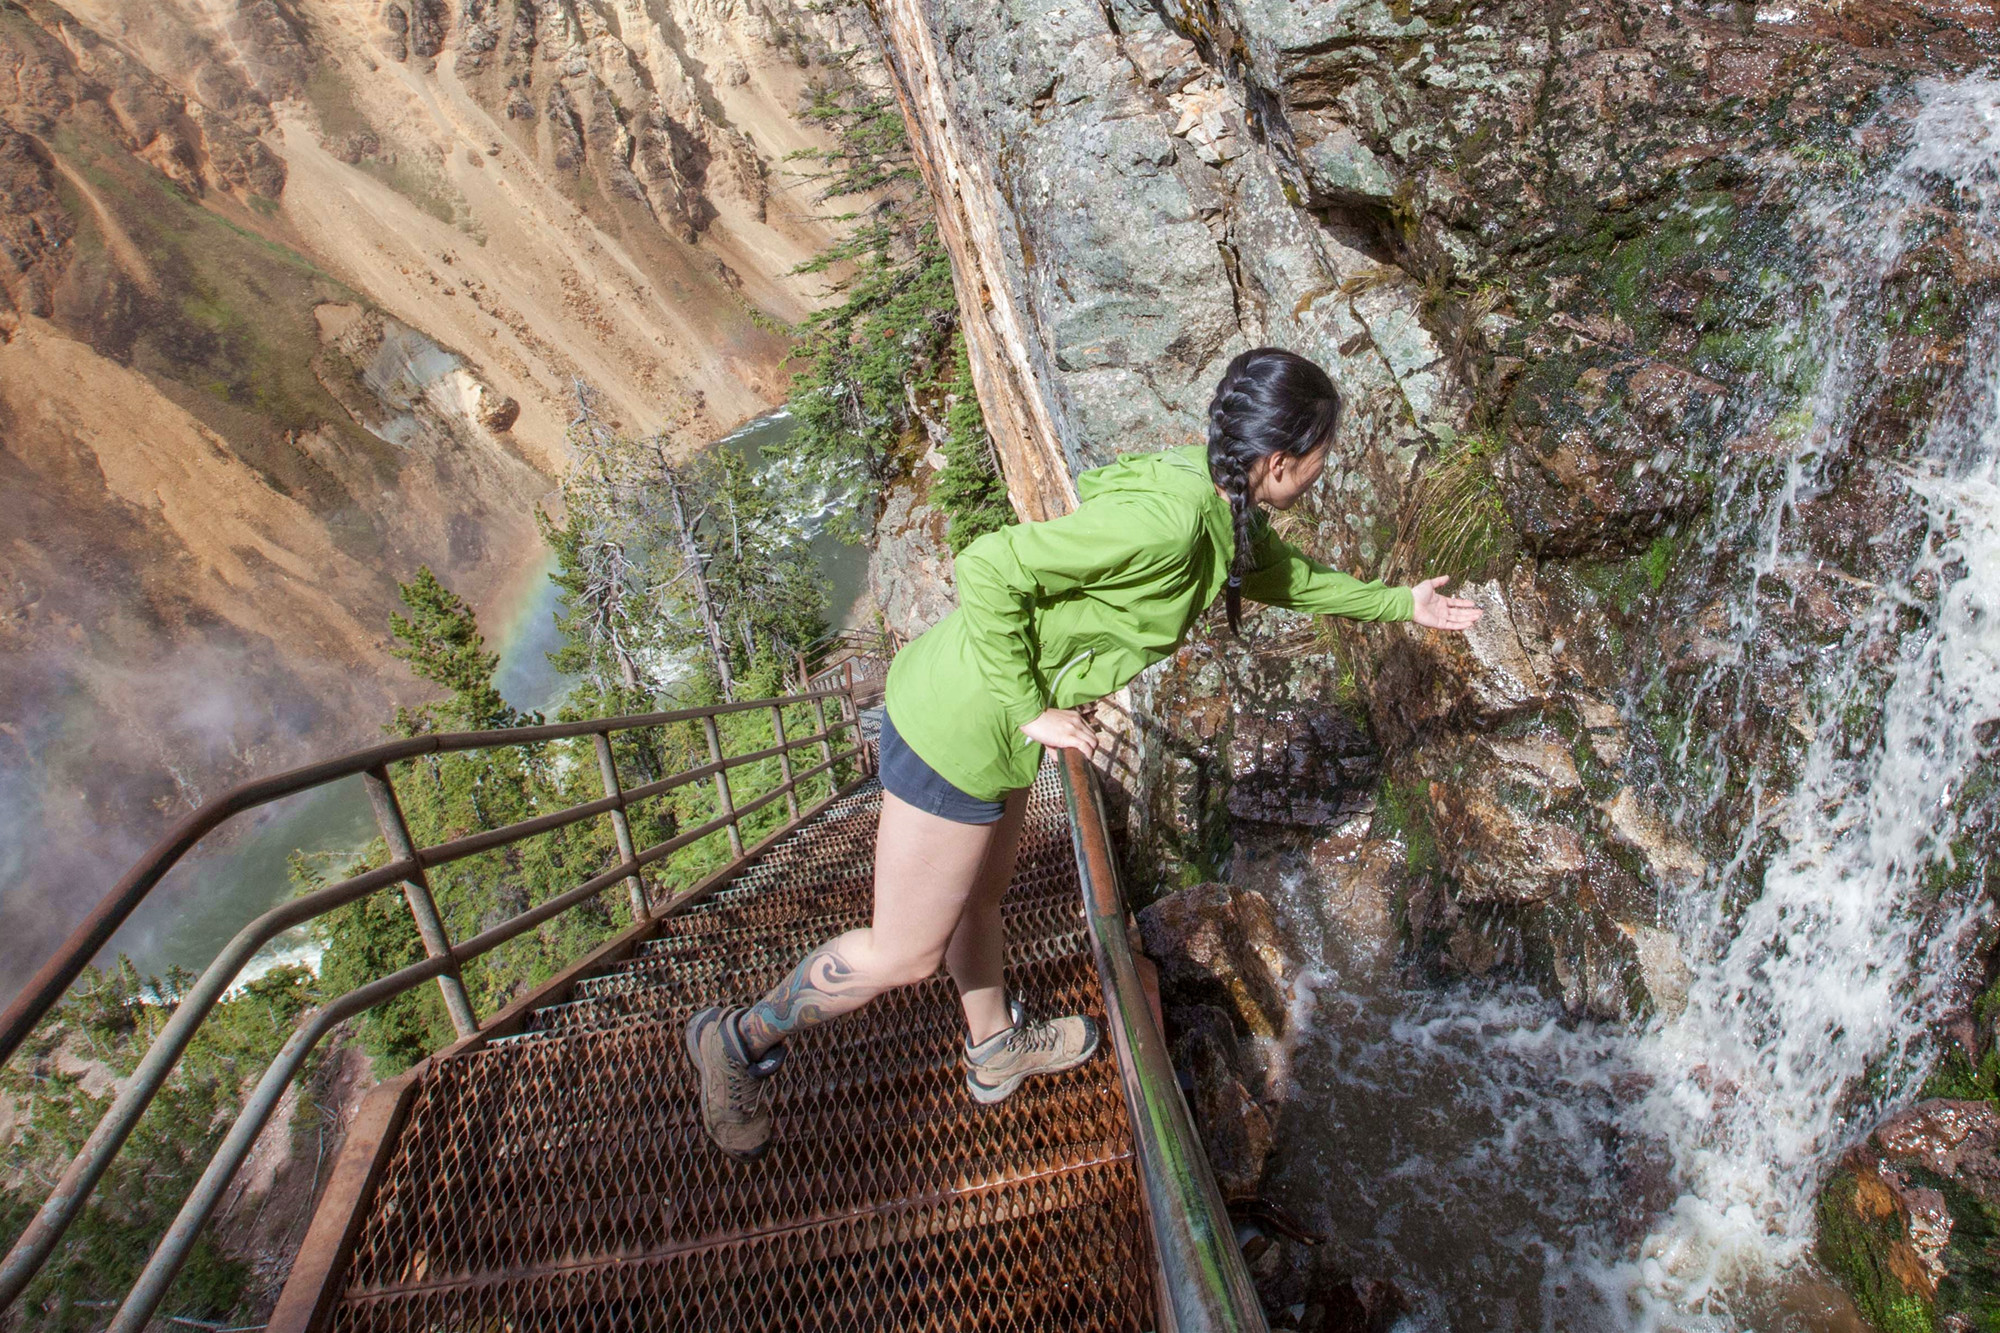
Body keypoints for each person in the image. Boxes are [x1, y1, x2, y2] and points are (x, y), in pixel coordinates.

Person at [685, 347, 1484, 1160]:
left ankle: (992, 1047)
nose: (1321, 472)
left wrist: (1400, 603)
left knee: (983, 899)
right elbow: (988, 567)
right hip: (957, 725)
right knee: (905, 950)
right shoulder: (1170, 523)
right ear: (1279, 462)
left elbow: (1282, 577)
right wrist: (1034, 706)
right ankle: (738, 1038)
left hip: (994, 726)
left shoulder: (1216, 498)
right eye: (1320, 458)